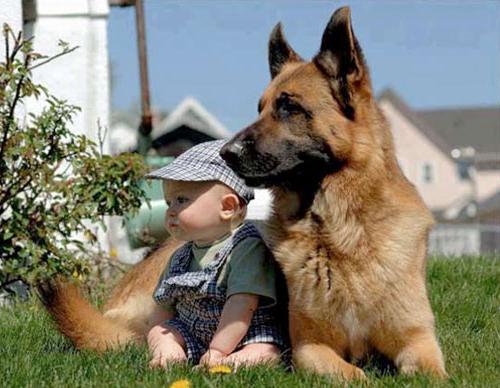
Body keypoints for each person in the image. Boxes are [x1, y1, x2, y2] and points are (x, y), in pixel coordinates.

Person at [145, 140, 288, 369]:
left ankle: (233, 362)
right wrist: (161, 336)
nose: (170, 210)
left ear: (228, 207)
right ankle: (168, 356)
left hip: (245, 334)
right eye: (168, 202)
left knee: (265, 351)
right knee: (160, 331)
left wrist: (218, 350)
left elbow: (242, 305)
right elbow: (163, 307)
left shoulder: (246, 248)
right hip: (193, 333)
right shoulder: (181, 256)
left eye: (182, 200)